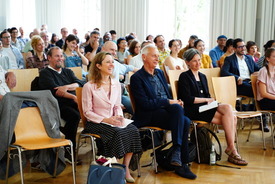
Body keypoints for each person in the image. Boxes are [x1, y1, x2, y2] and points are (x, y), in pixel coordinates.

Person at [130, 44, 197, 179]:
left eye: (157, 56)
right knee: (183, 119)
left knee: (184, 119)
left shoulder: (160, 73)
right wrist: (169, 103)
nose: (157, 58)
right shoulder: (137, 78)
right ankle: (181, 161)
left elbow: (167, 96)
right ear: (144, 57)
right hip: (149, 114)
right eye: (154, 55)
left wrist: (175, 101)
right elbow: (144, 104)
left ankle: (179, 159)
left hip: (166, 112)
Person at [178, 48, 248, 166]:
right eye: (194, 61)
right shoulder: (184, 76)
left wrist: (211, 101)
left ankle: (231, 148)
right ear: (188, 62)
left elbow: (208, 96)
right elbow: (187, 99)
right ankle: (232, 149)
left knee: (227, 108)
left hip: (205, 107)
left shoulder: (202, 76)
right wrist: (207, 100)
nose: (198, 63)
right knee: (232, 119)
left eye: (199, 60)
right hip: (193, 109)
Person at [82, 52, 141, 183]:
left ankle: (124, 168)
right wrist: (106, 120)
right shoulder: (89, 86)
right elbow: (87, 112)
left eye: (112, 62)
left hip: (113, 120)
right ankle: (116, 169)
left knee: (133, 130)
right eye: (108, 62)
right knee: (118, 133)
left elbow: (117, 105)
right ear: (98, 66)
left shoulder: (116, 84)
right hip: (96, 122)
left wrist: (119, 117)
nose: (111, 64)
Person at [38, 47, 85, 164]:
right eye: (57, 56)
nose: (60, 59)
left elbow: (80, 83)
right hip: (56, 104)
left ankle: (100, 150)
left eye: (61, 56)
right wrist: (73, 96)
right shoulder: (44, 73)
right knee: (74, 116)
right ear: (49, 58)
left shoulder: (67, 71)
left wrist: (66, 87)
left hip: (72, 103)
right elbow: (55, 91)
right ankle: (69, 152)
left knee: (89, 112)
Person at [256, 48, 275, 129]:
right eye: (274, 56)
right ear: (268, 58)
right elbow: (263, 93)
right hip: (265, 101)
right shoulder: (263, 71)